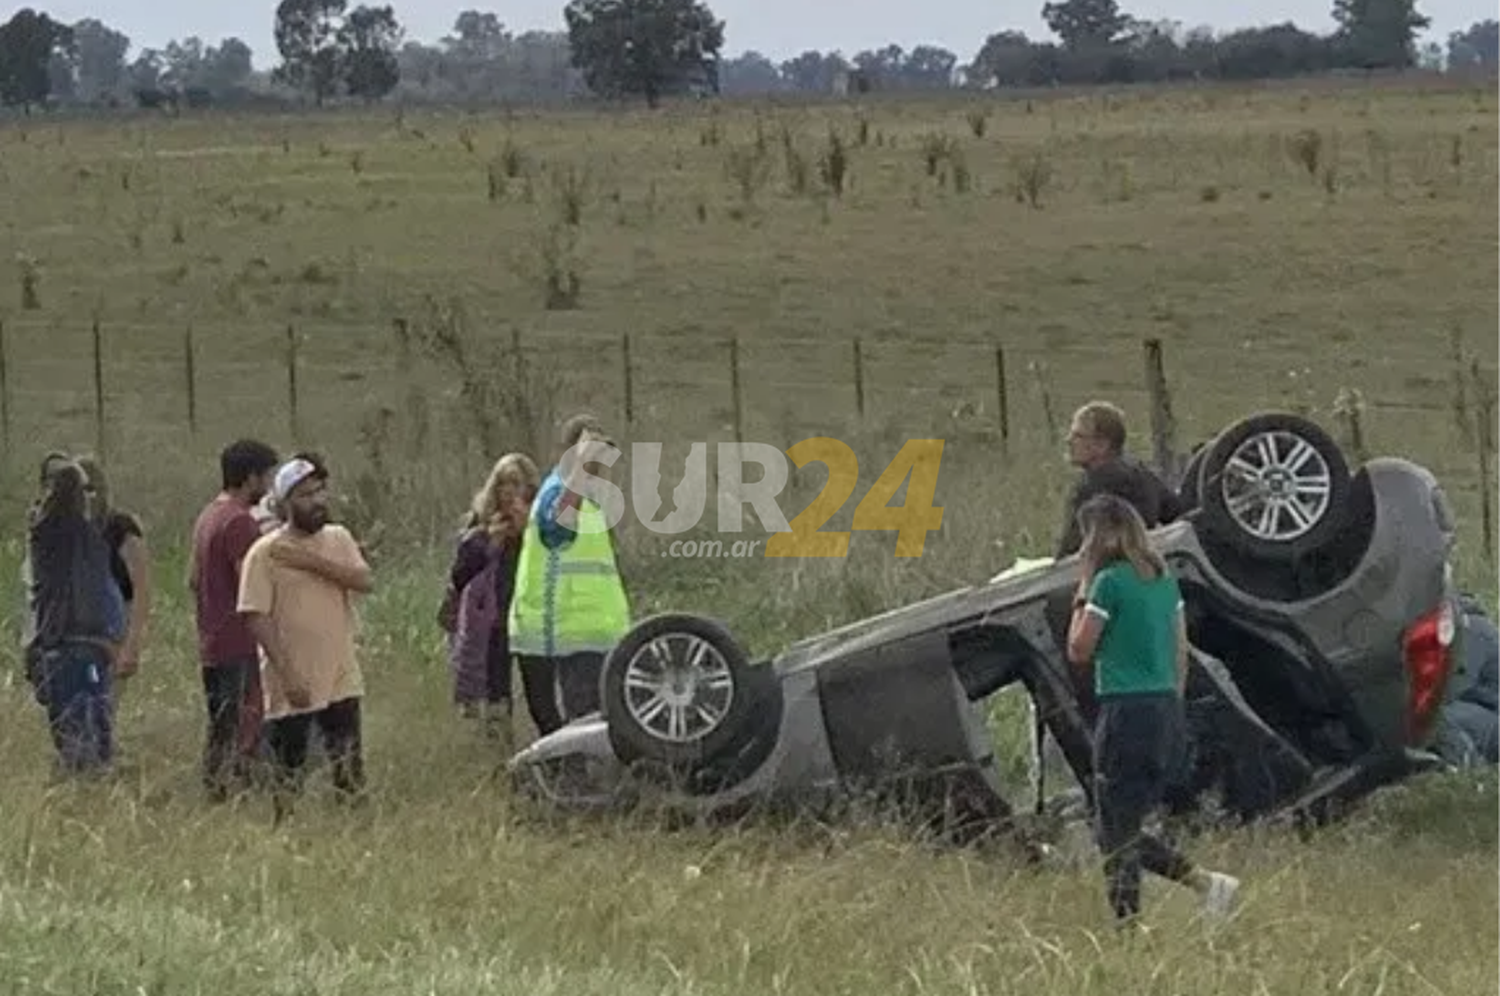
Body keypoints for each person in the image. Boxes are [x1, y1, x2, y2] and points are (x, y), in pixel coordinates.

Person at [1065, 492, 1239, 926]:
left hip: (1125, 708)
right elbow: (1180, 650)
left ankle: (1144, 913)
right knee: (1123, 821)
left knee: (1113, 828)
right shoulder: (1163, 583)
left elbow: (1079, 649)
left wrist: (1081, 592)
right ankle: (1193, 887)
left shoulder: (1109, 583)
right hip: (1164, 705)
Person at [237, 453, 374, 823]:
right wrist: (287, 673)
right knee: (289, 773)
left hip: (341, 678)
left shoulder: (338, 538)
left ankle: (353, 832)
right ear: (285, 503)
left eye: (319, 492)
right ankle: (288, 835)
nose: (315, 502)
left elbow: (363, 580)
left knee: (347, 768)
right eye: (304, 495)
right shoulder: (264, 554)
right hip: (292, 685)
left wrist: (309, 563)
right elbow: (255, 617)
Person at [509, 413, 631, 735]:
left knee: (598, 723)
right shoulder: (558, 491)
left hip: (594, 632)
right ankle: (576, 782)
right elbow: (557, 530)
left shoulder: (591, 501)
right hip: (566, 630)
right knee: (583, 727)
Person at [189, 438, 281, 802]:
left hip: (212, 638)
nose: (269, 486)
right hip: (239, 640)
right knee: (245, 723)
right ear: (250, 477)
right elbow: (252, 583)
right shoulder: (239, 523)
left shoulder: (208, 516)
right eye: (266, 477)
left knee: (221, 724)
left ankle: (215, 790)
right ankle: (239, 790)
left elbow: (192, 579)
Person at [23, 457, 127, 776]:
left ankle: (78, 786)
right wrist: (108, 636)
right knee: (91, 730)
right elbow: (94, 595)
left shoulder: (41, 536)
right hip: (80, 648)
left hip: (55, 648)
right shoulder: (82, 539)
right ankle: (86, 788)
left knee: (73, 730)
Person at [440, 452, 541, 743]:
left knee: (538, 695)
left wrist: (528, 532)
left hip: (531, 621)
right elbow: (459, 578)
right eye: (502, 484)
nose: (508, 491)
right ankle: (499, 751)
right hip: (492, 625)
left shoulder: (543, 528)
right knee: (496, 698)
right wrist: (489, 545)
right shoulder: (479, 528)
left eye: (516, 484)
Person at [1055, 401, 1183, 559]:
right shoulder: (1142, 473)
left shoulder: (1094, 485)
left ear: (1102, 445)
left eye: (1078, 436)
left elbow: (1070, 552)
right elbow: (1178, 515)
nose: (1069, 440)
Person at [74, 455, 152, 691]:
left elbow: (141, 587)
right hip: (79, 628)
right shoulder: (71, 529)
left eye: (91, 489)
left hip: (117, 623)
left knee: (103, 703)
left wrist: (133, 642)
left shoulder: (119, 526)